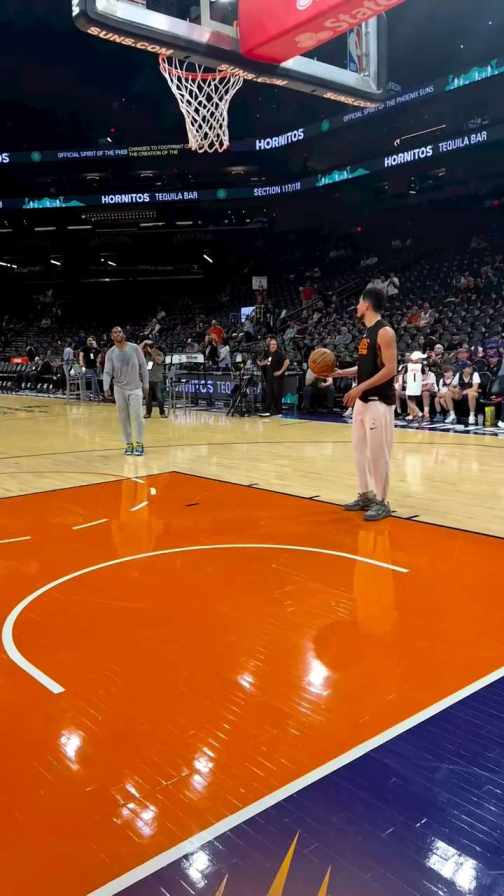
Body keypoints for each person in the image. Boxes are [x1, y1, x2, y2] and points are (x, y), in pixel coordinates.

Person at [333, 287, 397, 522]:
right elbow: (364, 368)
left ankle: (382, 501)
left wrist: (360, 387)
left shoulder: (385, 332)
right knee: (359, 451)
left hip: (378, 401)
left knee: (378, 454)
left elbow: (391, 368)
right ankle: (365, 494)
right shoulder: (367, 332)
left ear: (367, 305)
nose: (357, 306)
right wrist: (341, 372)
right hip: (362, 402)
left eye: (359, 302)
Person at [103, 326, 149, 456]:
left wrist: (146, 385)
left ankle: (139, 443)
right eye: (115, 333)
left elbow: (143, 367)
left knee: (138, 417)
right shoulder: (111, 353)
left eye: (120, 332)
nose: (118, 334)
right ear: (112, 337)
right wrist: (106, 387)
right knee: (124, 418)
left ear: (123, 334)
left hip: (135, 387)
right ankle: (129, 443)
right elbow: (107, 371)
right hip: (119, 388)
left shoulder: (134, 348)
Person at [258, 337, 289, 417]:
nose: (273, 346)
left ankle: (278, 411)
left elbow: (287, 362)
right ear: (269, 345)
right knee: (269, 394)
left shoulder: (279, 354)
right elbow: (269, 361)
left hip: (277, 379)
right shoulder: (269, 353)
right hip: (270, 378)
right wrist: (261, 364)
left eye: (275, 344)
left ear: (277, 345)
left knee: (277, 394)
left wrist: (280, 371)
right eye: (272, 344)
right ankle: (268, 410)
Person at [140, 340, 166, 419]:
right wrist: (144, 342)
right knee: (148, 398)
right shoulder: (146, 355)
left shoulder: (160, 354)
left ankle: (162, 413)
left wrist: (151, 352)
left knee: (159, 397)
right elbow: (137, 350)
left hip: (157, 380)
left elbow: (158, 361)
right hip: (148, 380)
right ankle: (148, 413)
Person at [449, 360, 480, 425]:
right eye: (468, 367)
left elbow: (475, 388)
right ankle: (452, 415)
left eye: (471, 367)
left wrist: (463, 392)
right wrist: (455, 391)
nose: (471, 368)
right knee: (447, 394)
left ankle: (472, 416)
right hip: (460, 394)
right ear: (463, 369)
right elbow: (450, 387)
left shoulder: (475, 374)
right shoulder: (458, 375)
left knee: (471, 394)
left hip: (473, 392)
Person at [79, 336, 101, 401]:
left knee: (95, 382)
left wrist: (98, 362)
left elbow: (99, 353)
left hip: (94, 368)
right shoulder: (84, 348)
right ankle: (84, 394)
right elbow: (81, 356)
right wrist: (81, 363)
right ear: (87, 341)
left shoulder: (95, 349)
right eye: (89, 340)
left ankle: (96, 395)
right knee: (82, 379)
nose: (90, 341)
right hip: (86, 367)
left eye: (91, 340)